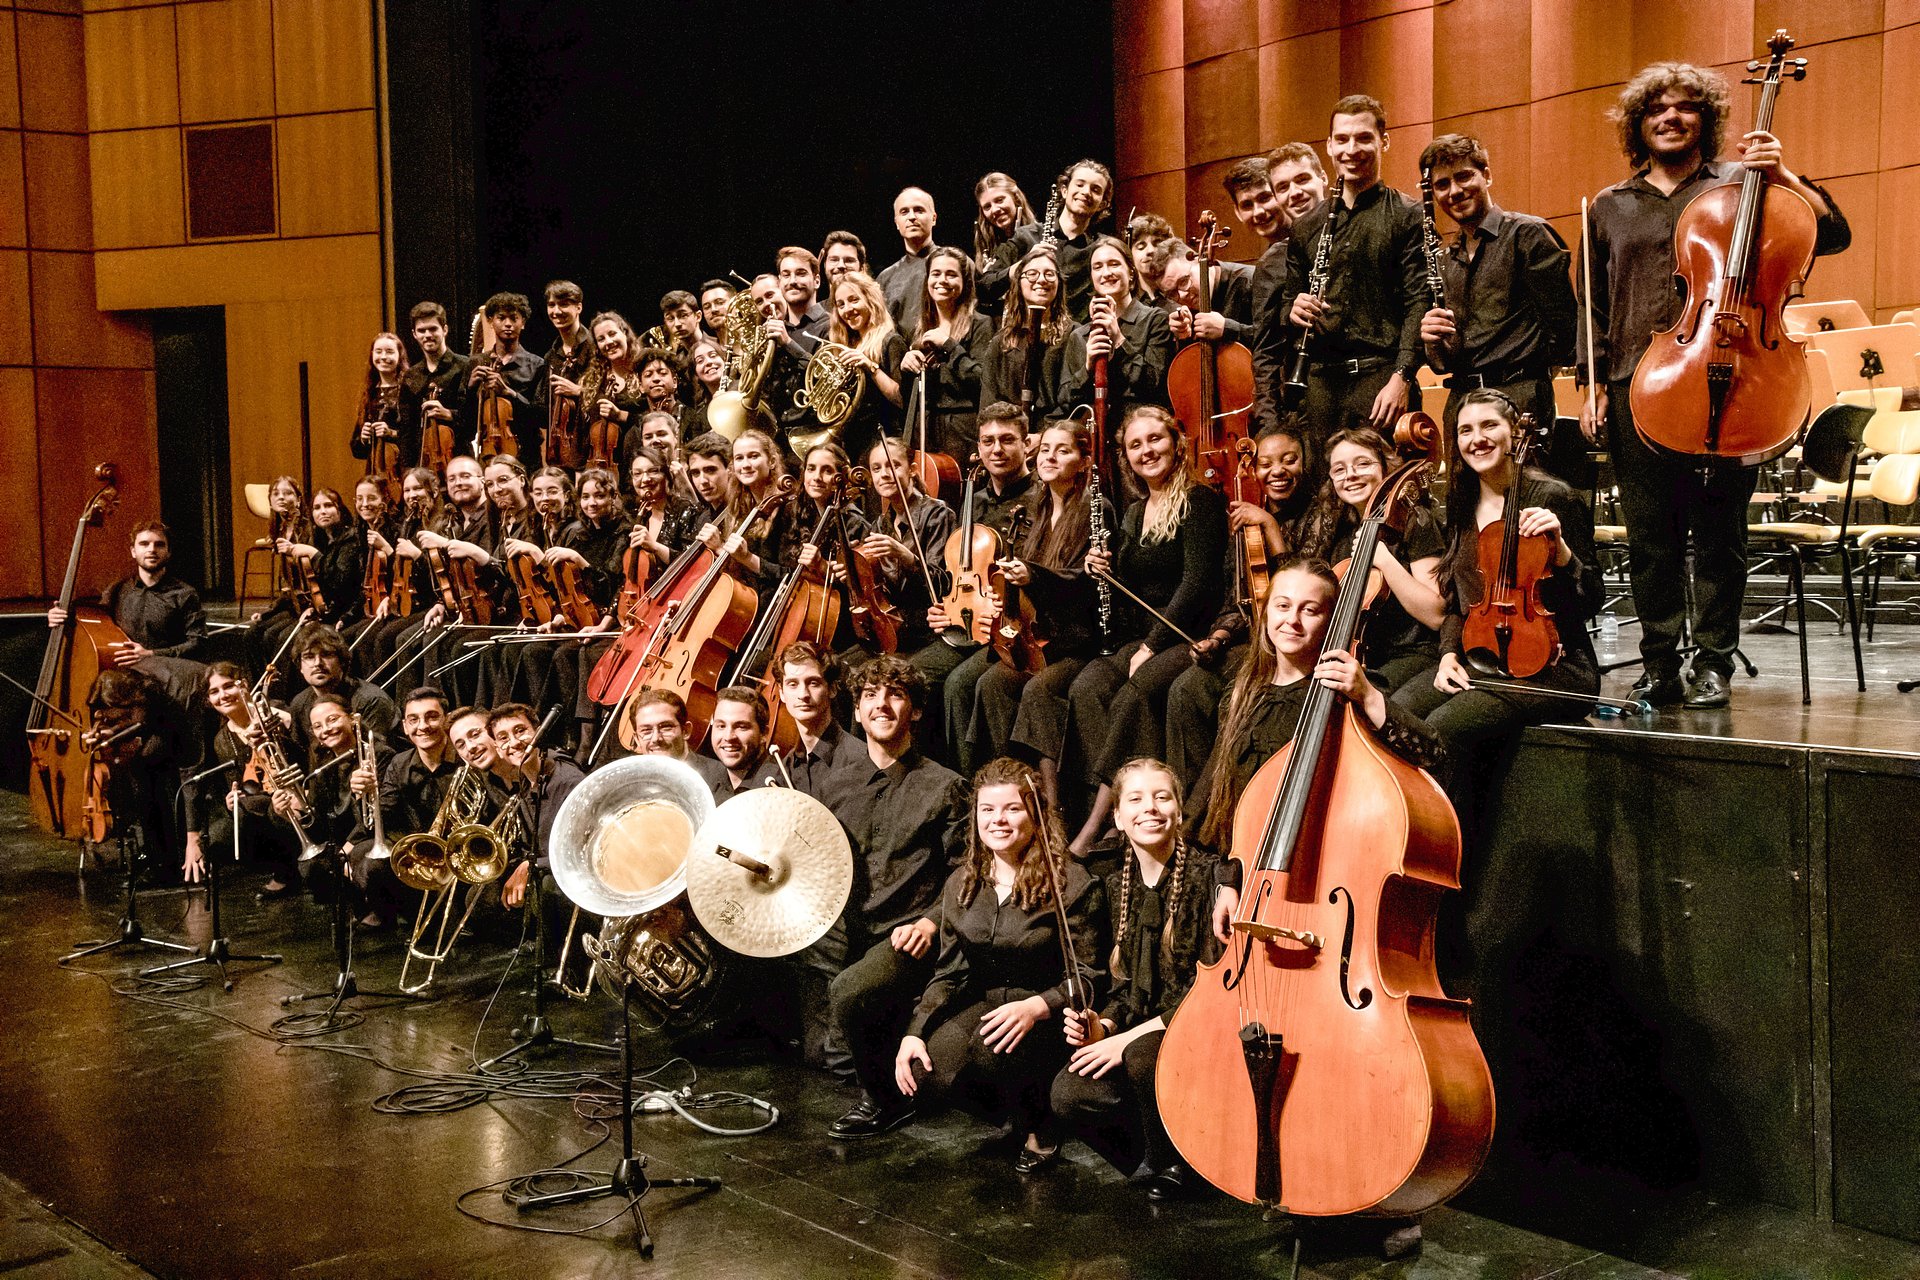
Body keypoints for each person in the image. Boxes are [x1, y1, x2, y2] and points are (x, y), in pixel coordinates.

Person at [1579, 61, 1849, 710]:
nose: (1670, 118)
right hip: (1632, 383)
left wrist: (1782, 175)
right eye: (1656, 110)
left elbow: (1831, 235)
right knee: (1650, 539)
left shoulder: (1741, 185)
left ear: (1707, 118)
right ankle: (1659, 665)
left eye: (1686, 107)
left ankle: (1715, 663)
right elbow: (1588, 305)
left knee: (1721, 533)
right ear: (1638, 126)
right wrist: (1586, 383)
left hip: (1734, 377)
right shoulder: (1612, 205)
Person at [889, 757, 1108, 1172]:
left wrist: (1035, 1007)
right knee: (924, 1071)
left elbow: (1091, 975)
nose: (998, 820)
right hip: (990, 1003)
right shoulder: (964, 881)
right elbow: (950, 972)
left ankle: (1041, 1126)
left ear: (1036, 813)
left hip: (1048, 1012)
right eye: (987, 810)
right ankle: (1014, 1110)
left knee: (991, 1052)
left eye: (1012, 808)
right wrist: (915, 1031)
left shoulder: (1072, 882)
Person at [1392, 390, 1602, 813]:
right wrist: (1449, 654)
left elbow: (1591, 599)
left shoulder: (1551, 497)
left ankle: (1447, 850)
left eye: (1490, 426)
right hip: (1484, 654)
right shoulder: (1462, 502)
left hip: (1555, 665)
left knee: (1442, 726)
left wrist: (1562, 553)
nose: (1477, 438)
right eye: (1466, 430)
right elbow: (1461, 600)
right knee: (1399, 712)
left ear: (1512, 435)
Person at [1050, 758, 1229, 1199]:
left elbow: (1206, 993)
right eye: (1135, 799)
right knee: (1067, 1091)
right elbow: (1124, 990)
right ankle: (1154, 1158)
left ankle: (1186, 1165)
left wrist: (1123, 1041)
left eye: (1161, 797)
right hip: (1141, 1036)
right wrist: (1104, 1025)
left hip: (1203, 1029)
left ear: (1180, 811)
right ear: (1117, 817)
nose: (1150, 808)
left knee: (1145, 1055)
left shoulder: (1210, 879)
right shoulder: (1112, 887)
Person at [1064, 406, 1228, 853]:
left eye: (1155, 439)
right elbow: (1130, 590)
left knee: (1136, 691)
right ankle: (1126, 811)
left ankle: (1097, 827)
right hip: (1145, 637)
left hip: (1190, 634)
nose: (1146, 450)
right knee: (1088, 687)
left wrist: (1152, 647)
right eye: (1135, 445)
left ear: (1176, 442)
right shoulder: (1136, 512)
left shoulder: (1200, 501)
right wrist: (1102, 569)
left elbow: (1196, 587)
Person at [1188, 556, 1443, 843]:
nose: (1292, 620)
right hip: (1242, 858)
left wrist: (1367, 697)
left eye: (1309, 610)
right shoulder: (1243, 690)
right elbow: (1218, 787)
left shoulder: (1345, 691)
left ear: (1330, 622)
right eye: (1282, 606)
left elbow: (1430, 753)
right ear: (1267, 612)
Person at [823, 656, 969, 1138]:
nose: (881, 705)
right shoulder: (837, 785)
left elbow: (969, 871)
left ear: (916, 711)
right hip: (850, 928)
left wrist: (930, 922)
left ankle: (883, 1102)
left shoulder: (945, 786)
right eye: (870, 696)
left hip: (911, 935)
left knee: (846, 993)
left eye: (895, 694)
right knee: (819, 1051)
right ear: (858, 712)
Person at [1415, 133, 1579, 478]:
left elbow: (1565, 328)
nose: (1454, 191)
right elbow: (1444, 363)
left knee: (1524, 509)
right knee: (1466, 511)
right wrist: (1432, 340)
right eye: (1442, 184)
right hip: (1460, 401)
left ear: (1486, 175)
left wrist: (1528, 369)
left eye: (1464, 176)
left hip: (1518, 397)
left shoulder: (1529, 235)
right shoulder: (1444, 259)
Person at [1163, 422, 1314, 792]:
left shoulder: (1318, 514)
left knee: (1236, 697)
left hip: (1296, 645)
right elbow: (1238, 600)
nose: (1276, 471)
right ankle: (1190, 799)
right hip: (1251, 641)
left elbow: (1306, 588)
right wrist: (1216, 638)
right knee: (1186, 690)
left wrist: (1272, 529)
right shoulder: (1246, 525)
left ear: (1304, 465)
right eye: (1265, 464)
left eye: (1289, 460)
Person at [973, 418, 1112, 784]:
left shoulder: (1096, 508)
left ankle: (1050, 803)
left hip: (1078, 639)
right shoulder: (1037, 510)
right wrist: (1000, 590)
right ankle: (1008, 782)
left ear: (1083, 461)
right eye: (1046, 449)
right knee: (990, 684)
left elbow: (1087, 581)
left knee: (1039, 689)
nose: (1049, 457)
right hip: (1038, 634)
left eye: (1062, 451)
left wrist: (1033, 574)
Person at [1280, 96, 1427, 437]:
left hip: (1381, 380)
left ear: (1383, 141)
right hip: (1321, 384)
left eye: (1363, 138)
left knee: (1389, 485)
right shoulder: (1305, 227)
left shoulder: (1408, 215)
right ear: (1329, 146)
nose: (1351, 149)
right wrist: (1294, 308)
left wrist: (1402, 377)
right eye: (1342, 139)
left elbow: (1419, 301)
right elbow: (1287, 303)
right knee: (1326, 487)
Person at [909, 406, 1033, 758]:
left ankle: (977, 788)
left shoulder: (1041, 498)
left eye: (1007, 440)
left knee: (961, 685)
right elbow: (959, 573)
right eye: (988, 441)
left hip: (1012, 626)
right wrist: (943, 609)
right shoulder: (972, 501)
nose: (997, 449)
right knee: (909, 677)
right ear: (977, 448)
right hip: (966, 625)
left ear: (1027, 445)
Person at [1294, 427, 1447, 692]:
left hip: (1415, 654)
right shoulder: (1342, 532)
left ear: (1385, 468)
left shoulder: (1416, 521)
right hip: (1365, 656)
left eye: (1362, 464)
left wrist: (1385, 561)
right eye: (1339, 469)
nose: (1350, 475)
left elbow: (1435, 614)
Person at [50, 520, 208, 716]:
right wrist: (60, 618)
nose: (152, 550)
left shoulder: (184, 594)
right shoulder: (117, 590)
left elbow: (198, 643)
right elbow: (91, 625)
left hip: (165, 678)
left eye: (159, 544)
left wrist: (151, 653)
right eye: (144, 544)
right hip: (124, 679)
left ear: (168, 552)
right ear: (133, 551)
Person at [860, 437, 958, 655]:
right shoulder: (879, 524)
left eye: (893, 465)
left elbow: (943, 583)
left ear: (912, 469)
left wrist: (907, 557)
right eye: (876, 468)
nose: (884, 474)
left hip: (928, 631)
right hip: (894, 629)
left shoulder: (938, 514)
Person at [899, 246, 992, 462]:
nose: (942, 280)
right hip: (924, 429)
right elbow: (907, 398)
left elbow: (983, 382)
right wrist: (906, 368)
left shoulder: (980, 324)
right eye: (936, 274)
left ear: (965, 282)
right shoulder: (920, 328)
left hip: (962, 429)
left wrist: (950, 346)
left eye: (951, 274)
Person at [1066, 234, 1173, 415]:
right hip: (1096, 431)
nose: (1106, 273)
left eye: (1114, 264)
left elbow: (1154, 386)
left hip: (1141, 426)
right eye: (1097, 267)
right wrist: (1087, 368)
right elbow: (1069, 402)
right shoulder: (1079, 335)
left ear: (1131, 272)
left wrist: (1118, 338)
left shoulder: (1156, 320)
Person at [978, 245, 1083, 422]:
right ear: (1018, 283)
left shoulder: (1073, 335)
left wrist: (1044, 436)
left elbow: (1074, 400)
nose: (1041, 280)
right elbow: (989, 405)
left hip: (1057, 439)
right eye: (1032, 273)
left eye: (1049, 274)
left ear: (1059, 283)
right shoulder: (1001, 342)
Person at [1009, 159, 1116, 322]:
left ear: (1102, 204)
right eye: (1080, 185)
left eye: (1095, 189)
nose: (1086, 192)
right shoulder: (1028, 236)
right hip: (1028, 330)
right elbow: (986, 284)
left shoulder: (1102, 249)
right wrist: (1024, 264)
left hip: (1079, 339)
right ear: (1064, 190)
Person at [822, 270, 907, 465]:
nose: (847, 310)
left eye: (854, 300)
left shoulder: (891, 341)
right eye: (840, 304)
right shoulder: (846, 346)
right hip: (853, 442)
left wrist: (871, 367)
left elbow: (902, 398)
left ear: (871, 300)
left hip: (884, 443)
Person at [770, 641, 864, 797]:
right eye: (792, 684)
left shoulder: (859, 760)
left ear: (832, 689)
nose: (803, 694)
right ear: (781, 693)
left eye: (813, 683)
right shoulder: (785, 770)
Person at [287, 625, 399, 755]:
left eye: (326, 655)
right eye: (309, 657)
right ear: (300, 666)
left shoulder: (371, 700)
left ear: (342, 661)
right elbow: (301, 757)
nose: (317, 663)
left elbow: (378, 756)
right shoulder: (299, 703)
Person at [466, 292, 544, 461]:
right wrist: (471, 388)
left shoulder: (537, 364)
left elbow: (542, 416)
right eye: (501, 318)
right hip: (488, 451)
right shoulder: (476, 363)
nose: (508, 324)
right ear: (490, 322)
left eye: (514, 318)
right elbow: (465, 420)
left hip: (526, 454)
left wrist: (510, 394)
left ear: (522, 322)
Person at [398, 301, 471, 470]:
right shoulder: (411, 376)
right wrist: (407, 470)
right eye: (421, 331)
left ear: (444, 330)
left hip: (459, 458)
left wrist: (450, 414)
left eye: (433, 329)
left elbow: (474, 418)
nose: (427, 335)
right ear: (414, 334)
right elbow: (406, 429)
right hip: (422, 462)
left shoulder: (464, 366)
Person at [535, 280, 593, 467]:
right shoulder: (552, 356)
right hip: (560, 447)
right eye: (551, 305)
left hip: (592, 443)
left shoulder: (594, 347)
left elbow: (611, 394)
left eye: (564, 304)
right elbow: (544, 406)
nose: (557, 311)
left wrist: (579, 392)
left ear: (579, 307)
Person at [348, 331, 407, 501]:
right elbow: (357, 450)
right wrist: (364, 438)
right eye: (378, 351)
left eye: (389, 352)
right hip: (376, 470)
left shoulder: (408, 390)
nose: (383, 357)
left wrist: (392, 434)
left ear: (399, 355)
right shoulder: (369, 394)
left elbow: (419, 436)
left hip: (402, 469)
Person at [689, 687, 775, 801]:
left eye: (741, 727)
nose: (728, 737)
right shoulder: (705, 783)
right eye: (721, 726)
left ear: (764, 734)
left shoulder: (780, 785)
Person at [973, 170, 1039, 309]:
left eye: (999, 200)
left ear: (1016, 198)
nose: (995, 210)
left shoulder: (1036, 237)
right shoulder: (986, 245)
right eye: (987, 206)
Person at [877, 186, 938, 330]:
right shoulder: (885, 278)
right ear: (897, 222)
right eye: (904, 212)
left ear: (934, 218)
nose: (911, 217)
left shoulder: (957, 264)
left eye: (919, 210)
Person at [698, 279, 734, 345]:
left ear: (735, 303)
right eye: (707, 307)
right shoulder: (705, 351)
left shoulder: (755, 342)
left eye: (720, 303)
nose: (713, 309)